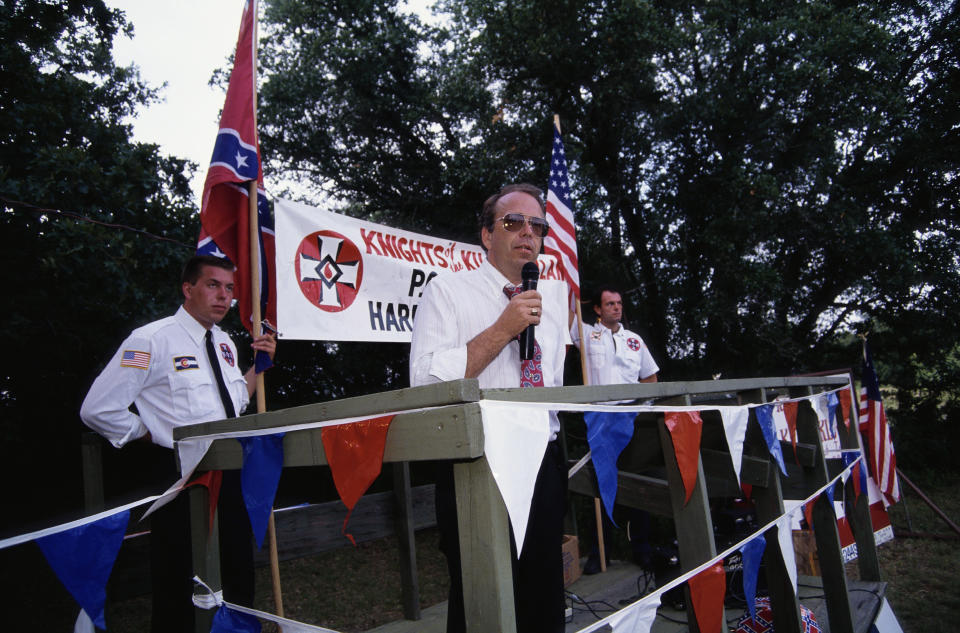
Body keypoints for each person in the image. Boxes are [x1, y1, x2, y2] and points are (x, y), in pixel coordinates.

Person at [80, 254, 276, 632]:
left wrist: (259, 367)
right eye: (213, 285)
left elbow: (233, 403)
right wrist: (147, 432)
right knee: (180, 582)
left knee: (237, 572)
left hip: (232, 473)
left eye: (230, 288)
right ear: (188, 289)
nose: (224, 296)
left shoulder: (225, 344)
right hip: (182, 478)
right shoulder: (151, 340)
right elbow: (98, 409)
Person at [410, 183, 570, 633]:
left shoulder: (550, 306)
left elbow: (550, 396)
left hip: (543, 463)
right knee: (483, 600)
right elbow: (424, 384)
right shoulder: (448, 293)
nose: (527, 233)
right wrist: (503, 328)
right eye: (512, 222)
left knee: (543, 599)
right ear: (486, 235)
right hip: (478, 465)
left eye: (536, 226)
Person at [571, 284, 660, 573]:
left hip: (631, 419)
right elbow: (565, 316)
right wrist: (570, 288)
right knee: (602, 485)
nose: (616, 307)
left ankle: (642, 548)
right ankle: (601, 552)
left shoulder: (634, 340)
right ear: (597, 308)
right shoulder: (586, 334)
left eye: (619, 303)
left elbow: (650, 377)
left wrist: (642, 409)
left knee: (637, 483)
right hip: (601, 417)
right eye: (609, 304)